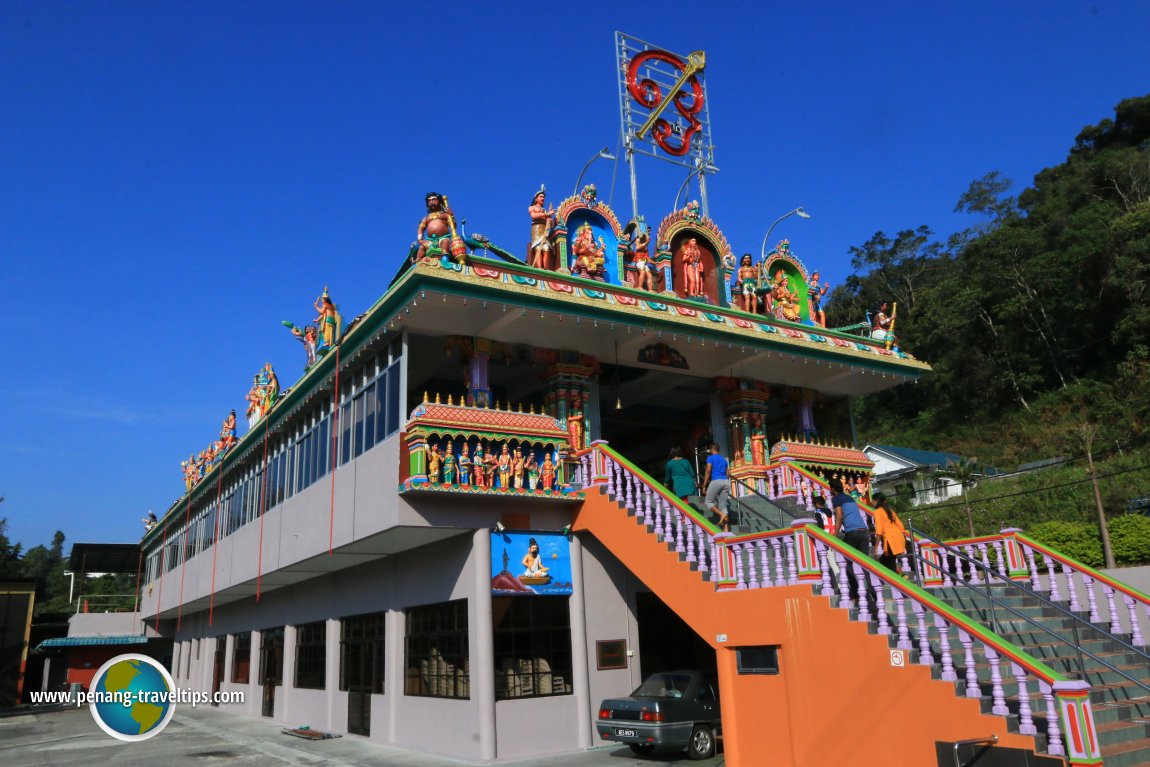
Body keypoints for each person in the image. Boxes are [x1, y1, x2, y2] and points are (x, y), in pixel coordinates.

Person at [831, 477, 874, 605]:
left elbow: (839, 516)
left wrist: (835, 534)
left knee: (844, 562)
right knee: (865, 565)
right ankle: (874, 598)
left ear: (832, 489)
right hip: (864, 532)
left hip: (852, 532)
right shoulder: (849, 497)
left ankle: (856, 594)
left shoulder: (836, 499)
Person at [872, 492, 908, 573]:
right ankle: (900, 575)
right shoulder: (890, 511)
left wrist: (876, 548)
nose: (872, 503)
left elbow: (879, 531)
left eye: (873, 501)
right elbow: (901, 527)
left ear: (877, 501)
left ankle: (899, 581)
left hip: (890, 540)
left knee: (888, 563)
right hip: (898, 538)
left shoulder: (877, 512)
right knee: (886, 561)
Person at [702, 443, 730, 531]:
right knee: (723, 505)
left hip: (716, 481)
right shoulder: (724, 460)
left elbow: (708, 471)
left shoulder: (710, 458)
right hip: (726, 482)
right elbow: (728, 474)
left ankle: (721, 514)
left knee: (708, 502)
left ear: (711, 449)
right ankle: (726, 528)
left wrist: (704, 485)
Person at [528, 189, 554, 269]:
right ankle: (539, 268)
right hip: (536, 229)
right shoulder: (532, 207)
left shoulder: (544, 210)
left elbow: (550, 223)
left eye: (543, 197)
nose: (543, 198)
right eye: (541, 197)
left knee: (546, 248)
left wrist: (550, 219)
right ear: (536, 199)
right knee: (538, 247)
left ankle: (546, 268)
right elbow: (533, 216)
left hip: (544, 230)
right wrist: (547, 214)